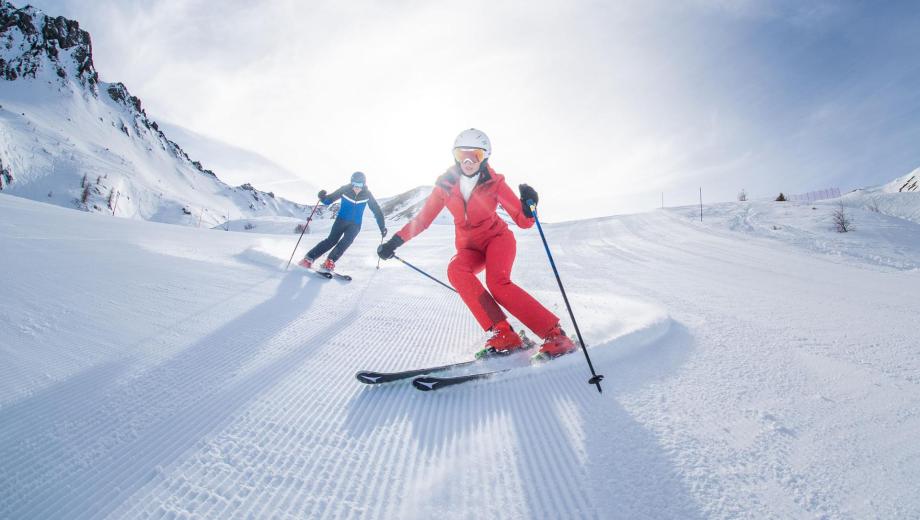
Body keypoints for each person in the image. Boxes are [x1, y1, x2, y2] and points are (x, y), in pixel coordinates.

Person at [377, 129, 576, 359]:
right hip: (469, 249)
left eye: (476, 156)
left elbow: (523, 222)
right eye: (463, 154)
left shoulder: (495, 183)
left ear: (486, 158)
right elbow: (422, 220)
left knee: (498, 283)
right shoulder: (444, 186)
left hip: (497, 240)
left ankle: (555, 334)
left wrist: (530, 205)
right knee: (456, 270)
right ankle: (503, 333)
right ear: (455, 156)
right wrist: (394, 242)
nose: (469, 161)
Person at [299, 171, 387, 272]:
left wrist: (382, 227)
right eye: (355, 184)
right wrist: (322, 197)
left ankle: (330, 261)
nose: (357, 187)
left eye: (360, 184)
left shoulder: (367, 194)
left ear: (364, 184)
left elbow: (377, 211)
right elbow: (329, 199)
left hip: (355, 224)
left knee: (346, 242)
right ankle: (309, 258)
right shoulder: (345, 189)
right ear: (351, 183)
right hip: (341, 220)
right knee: (331, 241)